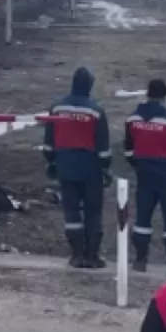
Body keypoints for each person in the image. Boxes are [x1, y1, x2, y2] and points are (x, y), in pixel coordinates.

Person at [43, 66, 112, 269]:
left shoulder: (57, 108)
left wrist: (52, 162)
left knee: (71, 212)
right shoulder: (96, 111)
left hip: (65, 166)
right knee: (93, 212)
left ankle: (76, 255)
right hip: (91, 169)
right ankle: (92, 255)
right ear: (89, 86)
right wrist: (106, 168)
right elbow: (103, 148)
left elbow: (49, 142)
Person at [125, 79, 166, 277]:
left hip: (144, 175)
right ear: (165, 96)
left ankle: (140, 260)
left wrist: (139, 165)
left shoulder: (132, 119)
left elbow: (128, 150)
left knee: (142, 218)